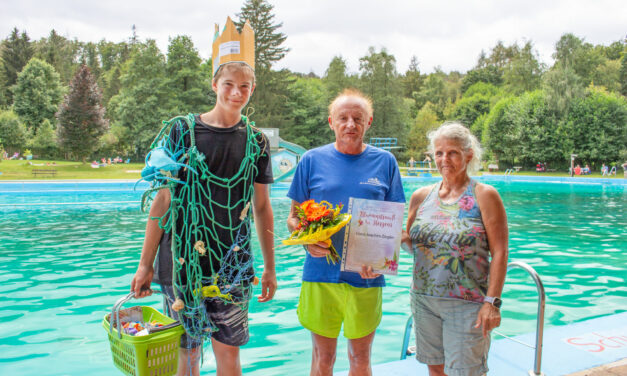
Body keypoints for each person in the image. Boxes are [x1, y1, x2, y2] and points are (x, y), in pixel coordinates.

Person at [130, 18, 277, 376]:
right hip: (181, 262)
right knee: (188, 355)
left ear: (252, 90)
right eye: (228, 84)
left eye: (245, 86)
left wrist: (270, 267)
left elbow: (261, 206)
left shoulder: (257, 141)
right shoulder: (182, 131)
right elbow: (161, 203)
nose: (236, 93)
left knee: (229, 355)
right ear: (214, 84)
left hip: (234, 263)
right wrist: (145, 264)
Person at [286, 88, 405, 376]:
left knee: (360, 359)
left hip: (366, 277)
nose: (350, 124)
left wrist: (382, 263)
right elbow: (293, 219)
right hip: (320, 275)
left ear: (369, 122)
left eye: (357, 118)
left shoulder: (385, 162)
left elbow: (394, 224)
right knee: (323, 359)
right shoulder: (312, 160)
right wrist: (309, 240)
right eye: (343, 118)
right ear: (331, 121)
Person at [402, 122, 508, 376]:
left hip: (467, 304)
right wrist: (380, 239)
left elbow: (501, 252)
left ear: (468, 154)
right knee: (435, 370)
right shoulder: (421, 196)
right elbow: (410, 243)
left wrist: (492, 303)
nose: (444, 159)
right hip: (424, 300)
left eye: (452, 152)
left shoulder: (484, 195)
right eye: (439, 153)